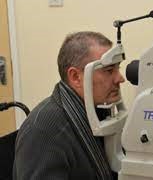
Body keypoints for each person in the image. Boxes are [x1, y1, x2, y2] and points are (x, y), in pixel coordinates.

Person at [13, 31, 125, 180]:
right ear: (75, 77)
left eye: (118, 68)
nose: (120, 78)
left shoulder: (99, 112)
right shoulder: (44, 130)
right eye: (109, 70)